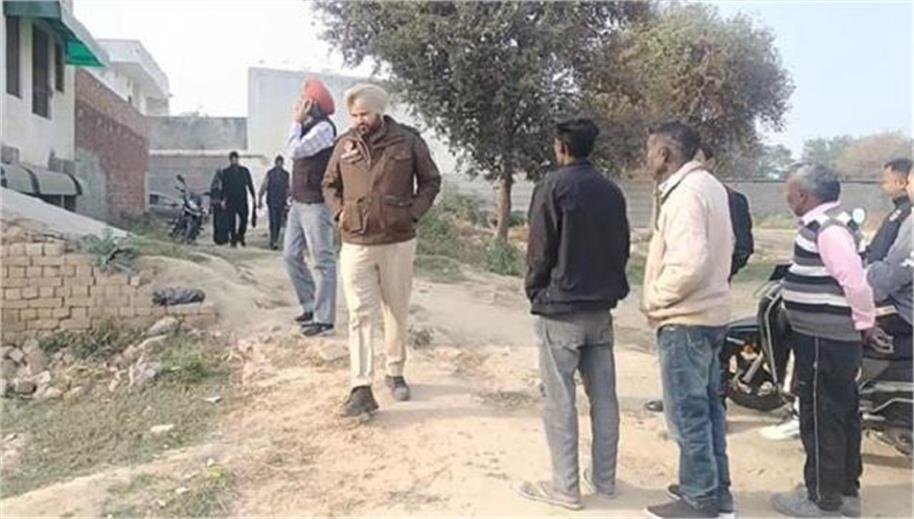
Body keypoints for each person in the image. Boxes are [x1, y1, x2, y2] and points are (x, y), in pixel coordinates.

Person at [516, 118, 630, 511]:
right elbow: (622, 247)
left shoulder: (552, 186)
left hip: (561, 308)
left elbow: (539, 249)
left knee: (559, 400)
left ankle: (565, 488)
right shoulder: (611, 191)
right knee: (605, 398)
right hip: (601, 308)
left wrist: (535, 289)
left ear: (561, 148)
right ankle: (605, 480)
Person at [322, 83, 441, 417]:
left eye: (364, 114)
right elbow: (329, 184)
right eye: (354, 115)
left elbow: (431, 181)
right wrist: (340, 213)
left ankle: (395, 370)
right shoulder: (344, 144)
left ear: (379, 112)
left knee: (395, 309)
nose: (359, 120)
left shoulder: (408, 141)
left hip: (397, 240)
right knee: (359, 313)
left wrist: (412, 213)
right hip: (356, 241)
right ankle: (361, 386)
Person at [640, 122, 734, 519]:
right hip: (710, 315)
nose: (646, 159)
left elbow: (689, 262)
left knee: (687, 413)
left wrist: (654, 299)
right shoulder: (709, 186)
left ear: (664, 154)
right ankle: (715, 490)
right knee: (709, 410)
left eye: (650, 151)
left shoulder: (686, 195)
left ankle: (699, 499)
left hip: (686, 319)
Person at [771, 164, 876, 518]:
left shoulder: (828, 230)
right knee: (841, 413)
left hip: (824, 339)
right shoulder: (834, 223)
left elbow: (855, 282)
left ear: (803, 195)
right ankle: (844, 491)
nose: (786, 196)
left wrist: (865, 321)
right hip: (828, 338)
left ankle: (822, 499)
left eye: (789, 190)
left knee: (820, 417)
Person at [643, 143, 754, 414]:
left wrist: (655, 297)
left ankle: (712, 401)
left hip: (701, 300)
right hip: (690, 298)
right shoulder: (678, 193)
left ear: (711, 163)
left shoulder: (725, 197)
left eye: (699, 159)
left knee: (695, 404)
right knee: (687, 385)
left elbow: (740, 247)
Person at [283, 79, 339, 334]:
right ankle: (310, 305)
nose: (298, 106)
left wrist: (295, 122)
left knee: (322, 260)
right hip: (298, 202)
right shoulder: (307, 128)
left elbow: (295, 151)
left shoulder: (324, 129)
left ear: (312, 106)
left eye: (303, 102)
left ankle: (324, 319)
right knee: (290, 255)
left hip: (316, 204)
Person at [866, 164, 913, 353]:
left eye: (910, 182)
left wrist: (865, 275)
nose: (908, 187)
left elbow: (892, 275)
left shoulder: (909, 218)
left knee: (839, 317)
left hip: (906, 311)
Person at [865, 158, 912, 264]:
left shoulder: (903, 214)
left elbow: (882, 251)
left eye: (885, 182)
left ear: (901, 183)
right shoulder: (899, 212)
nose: (883, 186)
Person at [217, 151, 256, 247]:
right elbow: (224, 187)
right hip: (231, 199)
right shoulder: (226, 172)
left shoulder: (244, 171)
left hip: (242, 199)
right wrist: (222, 200)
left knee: (244, 219)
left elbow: (250, 184)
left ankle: (241, 235)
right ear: (230, 160)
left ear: (238, 159)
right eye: (232, 159)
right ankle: (233, 239)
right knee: (231, 221)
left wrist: (253, 197)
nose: (234, 161)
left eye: (236, 159)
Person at [258, 155, 290, 250]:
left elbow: (288, 188)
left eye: (281, 163)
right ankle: (273, 240)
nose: (279, 164)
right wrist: (260, 197)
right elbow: (264, 185)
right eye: (278, 162)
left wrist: (289, 200)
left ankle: (275, 239)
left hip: (281, 201)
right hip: (271, 200)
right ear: (275, 163)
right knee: (273, 221)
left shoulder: (286, 174)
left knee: (279, 222)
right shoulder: (270, 173)